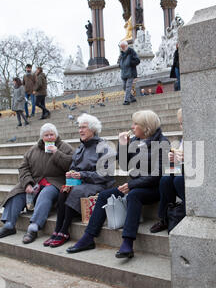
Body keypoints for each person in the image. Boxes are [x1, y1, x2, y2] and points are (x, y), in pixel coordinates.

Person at [67, 110, 170, 259]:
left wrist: (132, 185)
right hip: (135, 184)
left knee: (133, 195)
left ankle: (127, 243)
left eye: (136, 124)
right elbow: (124, 165)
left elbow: (157, 174)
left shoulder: (162, 142)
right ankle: (88, 238)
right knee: (103, 196)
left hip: (154, 188)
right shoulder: (135, 140)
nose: (132, 127)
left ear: (146, 126)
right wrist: (122, 146)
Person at [44, 114, 116, 248]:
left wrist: (82, 175)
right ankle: (57, 230)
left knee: (75, 191)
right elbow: (74, 166)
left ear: (93, 129)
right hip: (82, 183)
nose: (80, 130)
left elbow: (105, 174)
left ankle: (64, 231)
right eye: (79, 127)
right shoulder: (81, 147)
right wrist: (71, 173)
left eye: (84, 127)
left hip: (99, 184)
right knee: (64, 189)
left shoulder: (105, 147)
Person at [0, 123, 73, 244]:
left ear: (56, 135)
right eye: (46, 135)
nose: (49, 137)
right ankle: (9, 225)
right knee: (16, 193)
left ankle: (33, 227)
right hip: (35, 181)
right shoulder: (33, 149)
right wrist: (27, 183)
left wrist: (57, 153)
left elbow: (71, 164)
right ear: (42, 137)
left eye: (52, 135)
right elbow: (23, 168)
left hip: (54, 182)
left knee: (46, 194)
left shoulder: (64, 147)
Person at [150, 108, 185, 233]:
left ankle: (184, 211)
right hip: (182, 168)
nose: (182, 126)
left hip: (194, 171)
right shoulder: (184, 139)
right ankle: (165, 217)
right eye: (180, 123)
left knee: (178, 179)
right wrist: (173, 159)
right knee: (165, 179)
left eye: (184, 122)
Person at [118, 40, 140, 106]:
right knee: (124, 87)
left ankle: (126, 100)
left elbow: (137, 60)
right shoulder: (121, 54)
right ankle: (132, 98)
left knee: (128, 86)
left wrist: (130, 63)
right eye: (121, 47)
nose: (122, 48)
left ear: (126, 46)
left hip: (130, 72)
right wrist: (120, 65)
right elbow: (119, 61)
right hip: (124, 73)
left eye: (123, 47)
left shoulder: (131, 52)